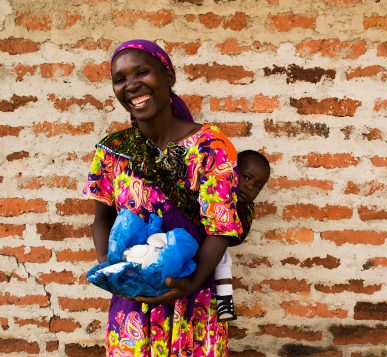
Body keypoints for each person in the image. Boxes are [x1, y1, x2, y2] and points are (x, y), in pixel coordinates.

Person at [83, 39, 243, 356]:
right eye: (120, 78)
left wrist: (192, 282)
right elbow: (102, 221)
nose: (131, 85)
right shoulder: (111, 151)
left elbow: (220, 227)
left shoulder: (210, 146)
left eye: (142, 72)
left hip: (193, 303)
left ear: (168, 76)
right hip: (132, 306)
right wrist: (115, 273)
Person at [215, 150, 270, 321]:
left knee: (223, 257)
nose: (250, 186)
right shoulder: (214, 192)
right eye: (246, 178)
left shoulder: (245, 208)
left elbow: (237, 238)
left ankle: (224, 300)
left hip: (216, 246)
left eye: (257, 186)